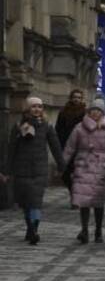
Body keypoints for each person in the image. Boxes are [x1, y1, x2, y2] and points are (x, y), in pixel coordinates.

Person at [0, 97, 65, 244]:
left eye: (40, 107)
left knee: (36, 201)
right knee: (25, 202)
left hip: (39, 170)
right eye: (34, 107)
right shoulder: (18, 126)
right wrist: (6, 171)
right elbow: (11, 150)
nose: (37, 109)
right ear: (27, 109)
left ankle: (34, 230)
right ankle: (30, 228)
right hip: (22, 170)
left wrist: (62, 167)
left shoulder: (47, 126)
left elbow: (56, 147)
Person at [62, 97, 105, 244]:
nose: (95, 113)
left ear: (102, 113)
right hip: (83, 167)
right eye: (93, 110)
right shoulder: (79, 128)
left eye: (98, 111)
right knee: (83, 201)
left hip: (100, 168)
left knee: (98, 202)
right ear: (89, 111)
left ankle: (98, 231)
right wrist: (62, 164)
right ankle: (84, 230)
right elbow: (70, 148)